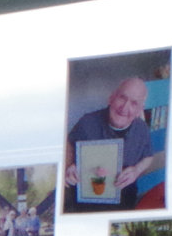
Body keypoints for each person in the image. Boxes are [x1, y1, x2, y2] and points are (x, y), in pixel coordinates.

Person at [65, 75, 160, 211]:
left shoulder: (142, 129)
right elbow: (68, 145)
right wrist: (68, 166)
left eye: (134, 103)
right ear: (111, 98)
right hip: (85, 199)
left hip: (124, 200)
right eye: (122, 98)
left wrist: (136, 170)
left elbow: (148, 156)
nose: (125, 107)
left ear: (140, 110)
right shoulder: (87, 123)